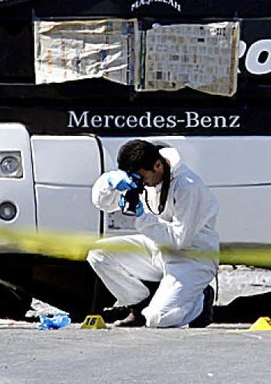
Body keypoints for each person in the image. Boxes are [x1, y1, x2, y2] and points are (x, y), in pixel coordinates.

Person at [87, 139, 219, 328]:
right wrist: (108, 182)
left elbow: (179, 240)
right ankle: (139, 307)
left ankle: (200, 301)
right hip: (157, 249)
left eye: (143, 178)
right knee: (99, 255)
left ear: (158, 165)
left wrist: (142, 217)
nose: (143, 184)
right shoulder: (146, 175)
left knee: (158, 319)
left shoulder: (188, 186)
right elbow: (104, 203)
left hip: (191, 257)